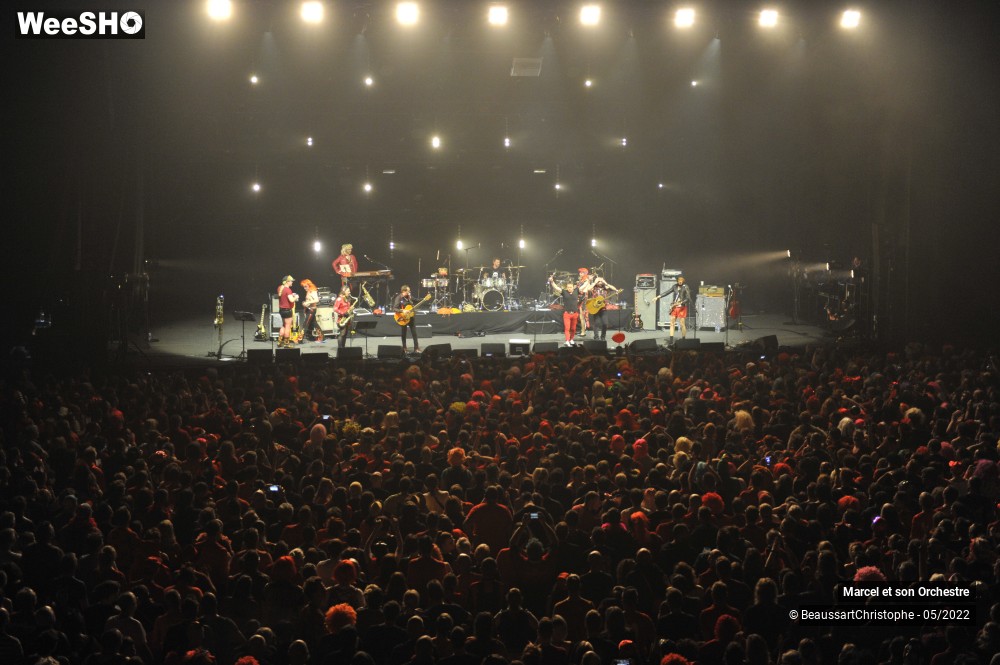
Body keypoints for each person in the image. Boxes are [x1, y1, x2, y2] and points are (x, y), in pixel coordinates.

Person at [579, 273, 618, 341]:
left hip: (603, 308)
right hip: (595, 307)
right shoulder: (594, 287)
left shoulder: (605, 288)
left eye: (601, 281)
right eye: (599, 281)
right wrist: (595, 282)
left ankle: (603, 337)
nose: (600, 282)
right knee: (596, 323)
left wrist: (605, 282)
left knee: (605, 323)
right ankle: (596, 337)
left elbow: (614, 289)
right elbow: (588, 289)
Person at [548, 274, 579, 347]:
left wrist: (589, 281)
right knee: (567, 328)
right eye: (568, 287)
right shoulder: (564, 292)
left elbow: (584, 287)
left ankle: (571, 339)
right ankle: (567, 340)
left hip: (575, 313)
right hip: (567, 314)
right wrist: (552, 282)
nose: (569, 288)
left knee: (573, 328)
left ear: (573, 287)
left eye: (570, 287)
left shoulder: (576, 291)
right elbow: (556, 288)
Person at [393, 285, 421, 354]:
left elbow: (417, 300)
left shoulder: (409, 296)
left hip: (411, 317)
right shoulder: (399, 298)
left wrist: (424, 299)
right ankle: (404, 348)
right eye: (408, 291)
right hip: (403, 318)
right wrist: (403, 311)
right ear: (403, 291)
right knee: (404, 333)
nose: (409, 292)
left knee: (414, 333)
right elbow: (394, 308)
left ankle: (416, 348)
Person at [664, 276, 691, 343]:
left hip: (682, 307)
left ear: (683, 281)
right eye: (679, 280)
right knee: (672, 323)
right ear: (677, 280)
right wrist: (658, 297)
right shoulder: (675, 286)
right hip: (674, 307)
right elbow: (667, 292)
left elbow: (688, 298)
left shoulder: (685, 287)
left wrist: (681, 302)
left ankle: (684, 339)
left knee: (682, 324)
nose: (680, 281)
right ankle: (671, 340)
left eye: (681, 280)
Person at [276, 275, 299, 347]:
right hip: (287, 310)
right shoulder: (288, 290)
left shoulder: (280, 288)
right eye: (291, 281)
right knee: (288, 326)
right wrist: (296, 297)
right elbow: (291, 300)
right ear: (287, 282)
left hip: (281, 310)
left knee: (283, 325)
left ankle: (279, 342)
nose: (292, 282)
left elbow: (284, 296)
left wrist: (291, 294)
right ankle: (286, 343)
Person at [332, 285, 355, 349]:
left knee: (345, 334)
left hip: (347, 319)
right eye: (348, 291)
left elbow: (347, 308)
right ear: (344, 291)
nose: (349, 292)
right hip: (341, 319)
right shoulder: (339, 299)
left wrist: (351, 309)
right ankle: (340, 349)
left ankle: (343, 348)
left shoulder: (347, 299)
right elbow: (335, 309)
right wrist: (343, 313)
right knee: (342, 334)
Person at [575, 268, 591, 336]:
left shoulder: (586, 280)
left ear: (585, 273)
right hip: (580, 298)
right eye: (580, 272)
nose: (580, 274)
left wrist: (576, 288)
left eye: (581, 273)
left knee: (582, 316)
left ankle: (583, 332)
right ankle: (582, 330)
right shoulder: (581, 280)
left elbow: (581, 289)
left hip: (583, 299)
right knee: (581, 316)